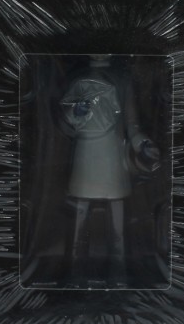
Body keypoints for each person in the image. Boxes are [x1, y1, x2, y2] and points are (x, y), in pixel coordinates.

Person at [60, 54, 159, 287]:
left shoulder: (122, 80)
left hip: (112, 154)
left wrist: (141, 143)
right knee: (80, 212)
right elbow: (67, 117)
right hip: (86, 153)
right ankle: (75, 270)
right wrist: (77, 112)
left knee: (117, 217)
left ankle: (119, 269)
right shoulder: (80, 81)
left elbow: (132, 123)